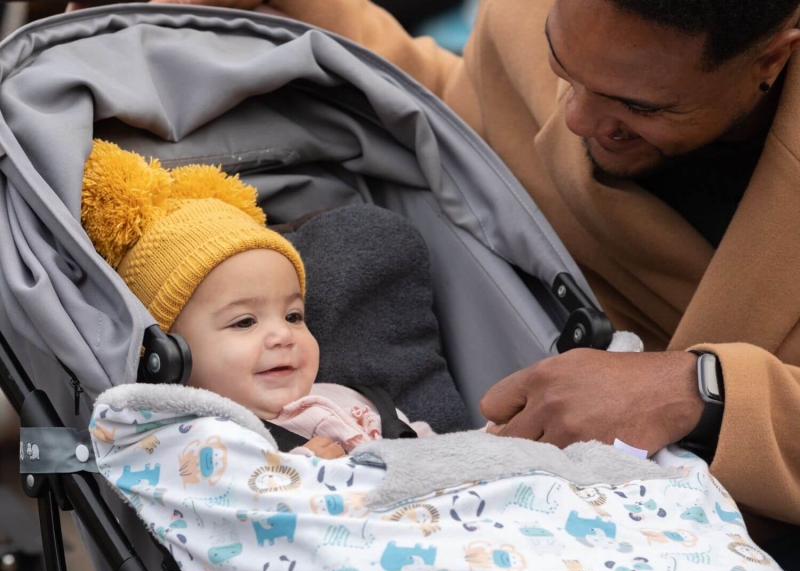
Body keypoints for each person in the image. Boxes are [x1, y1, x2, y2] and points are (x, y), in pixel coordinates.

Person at [151, 0, 800, 539]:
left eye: (643, 107)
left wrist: (702, 390)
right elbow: (465, 126)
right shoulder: (521, 18)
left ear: (770, 60)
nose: (575, 118)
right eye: (562, 67)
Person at [80, 139, 432, 460]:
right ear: (169, 356)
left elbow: (431, 455)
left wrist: (479, 444)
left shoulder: (352, 400)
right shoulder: (191, 440)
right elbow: (228, 504)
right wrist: (300, 472)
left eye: (294, 316)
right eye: (245, 321)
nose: (283, 335)